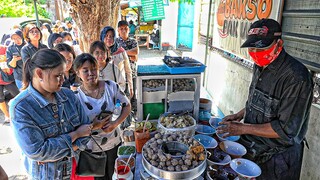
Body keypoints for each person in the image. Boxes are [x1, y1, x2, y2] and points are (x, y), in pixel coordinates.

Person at [216, 19, 314, 180]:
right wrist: (240, 114)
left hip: (279, 159)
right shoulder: (260, 65)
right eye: (252, 47)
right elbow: (260, 101)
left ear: (279, 43)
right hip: (254, 148)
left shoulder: (297, 78)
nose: (255, 52)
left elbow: (285, 130)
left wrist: (242, 128)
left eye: (262, 48)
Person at [9, 49, 92, 179]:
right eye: (58, 75)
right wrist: (76, 134)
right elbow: (38, 151)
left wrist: (57, 151)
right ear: (39, 74)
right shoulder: (21, 107)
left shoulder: (69, 95)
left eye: (63, 74)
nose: (63, 79)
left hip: (76, 169)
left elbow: (87, 129)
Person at [73, 53, 131, 180]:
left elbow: (127, 106)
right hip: (92, 149)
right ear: (78, 73)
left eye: (94, 68)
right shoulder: (76, 97)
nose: (91, 73)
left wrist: (115, 124)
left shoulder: (111, 86)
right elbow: (74, 128)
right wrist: (94, 126)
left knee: (117, 175)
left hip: (114, 143)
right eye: (85, 70)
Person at [100, 26, 133, 97]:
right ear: (102, 37)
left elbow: (128, 70)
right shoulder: (98, 53)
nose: (109, 38)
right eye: (106, 36)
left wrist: (130, 87)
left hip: (120, 88)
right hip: (103, 91)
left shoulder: (121, 51)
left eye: (111, 36)